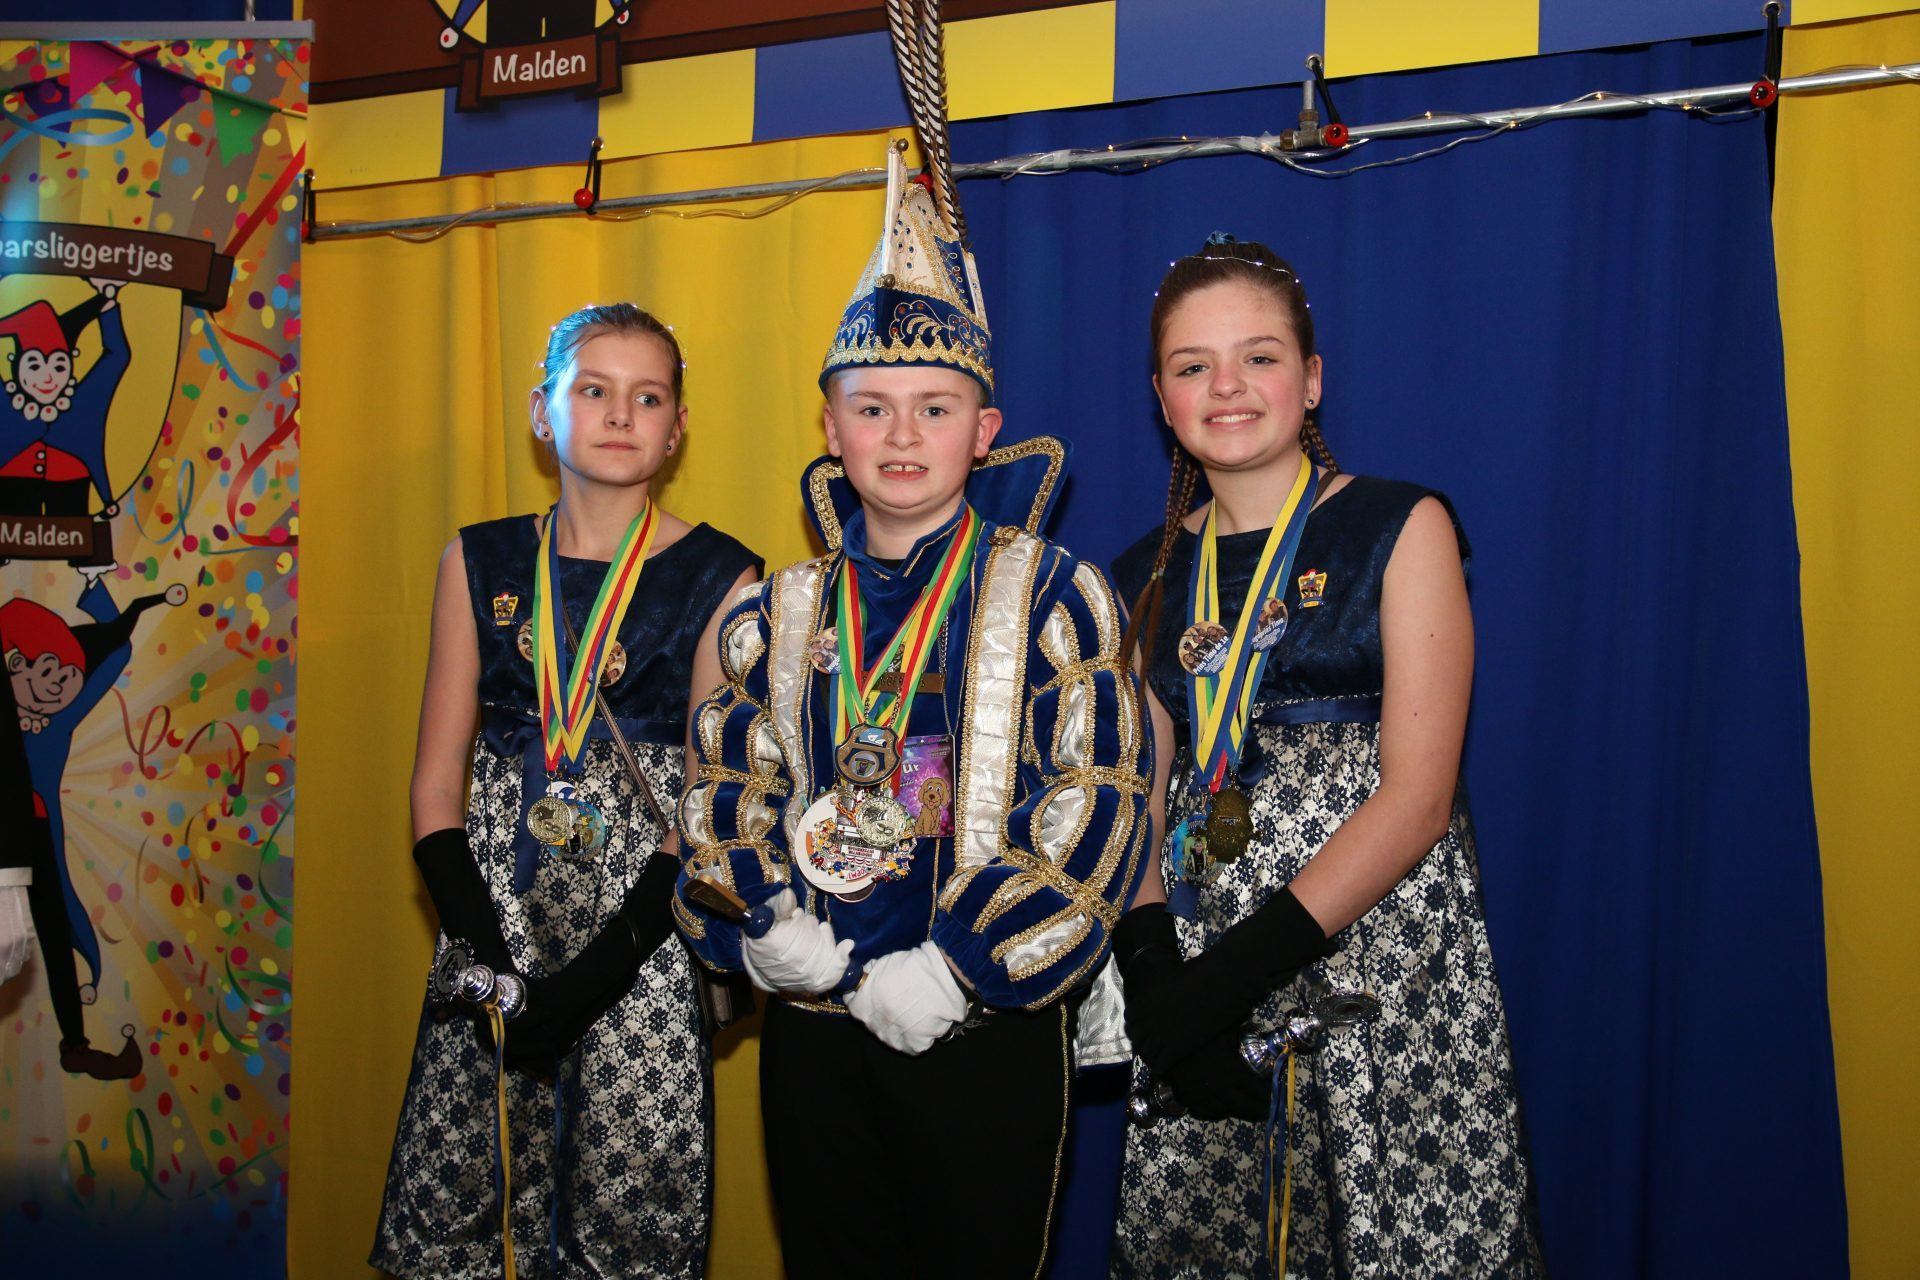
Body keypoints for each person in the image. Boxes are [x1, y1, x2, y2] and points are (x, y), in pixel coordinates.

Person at [672, 147, 1151, 1280]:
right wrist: (764, 924)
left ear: (983, 431)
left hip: (983, 1034)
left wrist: (956, 966)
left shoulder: (1055, 594)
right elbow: (725, 784)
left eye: (934, 409)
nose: (900, 436)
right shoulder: (774, 613)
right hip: (814, 1034)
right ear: (830, 427)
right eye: (872, 408)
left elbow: (1095, 802)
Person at [1109, 235, 1545, 1278]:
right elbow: (1134, 797)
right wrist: (1161, 983)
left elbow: (1419, 797)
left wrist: (1226, 983)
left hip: (1376, 961)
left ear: (1310, 379)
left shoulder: (1401, 524)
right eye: (1192, 365)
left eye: (1258, 357)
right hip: (1200, 964)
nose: (1226, 386)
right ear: (1162, 398)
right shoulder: (1140, 576)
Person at [372, 302, 759, 1280]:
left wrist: (592, 981)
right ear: (543, 413)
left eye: (647, 397)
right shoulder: (480, 560)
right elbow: (434, 783)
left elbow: (705, 808)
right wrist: (483, 947)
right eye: (593, 389)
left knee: (626, 1229)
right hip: (491, 943)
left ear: (677, 428)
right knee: (470, 1212)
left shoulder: (725, 576)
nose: (621, 414)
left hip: (640, 956)